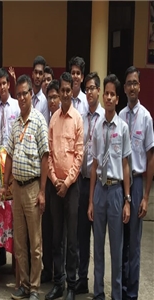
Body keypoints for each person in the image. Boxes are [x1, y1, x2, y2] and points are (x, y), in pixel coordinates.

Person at [1, 75, 49, 300]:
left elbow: (45, 158)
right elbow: (8, 155)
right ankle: (24, 285)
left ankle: (36, 288)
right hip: (17, 190)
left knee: (35, 242)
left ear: (31, 94)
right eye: (18, 94)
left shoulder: (39, 121)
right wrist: (4, 184)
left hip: (32, 188)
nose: (21, 98)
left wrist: (42, 192)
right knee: (19, 240)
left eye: (24, 93)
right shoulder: (16, 123)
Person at [88, 74, 131, 300]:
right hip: (99, 192)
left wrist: (127, 199)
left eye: (113, 94)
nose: (109, 97)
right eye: (106, 93)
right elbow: (95, 164)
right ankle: (98, 293)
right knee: (98, 248)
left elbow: (125, 165)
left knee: (116, 248)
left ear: (117, 98)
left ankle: (116, 295)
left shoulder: (122, 128)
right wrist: (91, 201)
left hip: (115, 192)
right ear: (103, 96)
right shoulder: (96, 128)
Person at [46, 72, 83, 300]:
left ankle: (71, 285)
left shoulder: (78, 120)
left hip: (72, 188)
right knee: (56, 237)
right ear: (59, 93)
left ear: (72, 91)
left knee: (72, 240)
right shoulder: (53, 120)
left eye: (69, 90)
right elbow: (49, 154)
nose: (66, 94)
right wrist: (54, 180)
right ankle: (58, 283)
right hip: (54, 187)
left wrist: (67, 182)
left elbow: (79, 156)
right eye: (63, 91)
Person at [119, 66, 154, 300]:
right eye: (128, 83)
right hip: (121, 185)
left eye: (135, 83)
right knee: (121, 241)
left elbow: (151, 158)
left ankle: (132, 293)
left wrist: (145, 197)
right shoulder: (120, 116)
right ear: (124, 88)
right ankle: (121, 289)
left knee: (134, 242)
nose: (132, 87)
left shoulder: (146, 117)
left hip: (138, 182)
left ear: (139, 87)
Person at [75, 72, 105, 295]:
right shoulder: (81, 116)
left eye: (93, 88)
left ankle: (99, 285)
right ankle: (82, 278)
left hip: (102, 185)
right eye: (87, 89)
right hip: (82, 182)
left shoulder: (106, 117)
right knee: (82, 235)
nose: (90, 92)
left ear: (99, 90)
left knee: (99, 236)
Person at [0, 67, 20, 268]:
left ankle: (16, 256)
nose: (2, 87)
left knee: (14, 209)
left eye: (4, 83)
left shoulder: (17, 106)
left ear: (9, 84)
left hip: (15, 165)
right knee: (0, 208)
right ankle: (1, 253)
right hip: (0, 166)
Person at [41, 79, 61, 284]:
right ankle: (47, 269)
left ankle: (58, 272)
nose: (52, 100)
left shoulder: (63, 120)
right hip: (44, 182)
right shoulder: (43, 120)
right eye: (50, 97)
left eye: (55, 97)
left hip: (58, 182)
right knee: (45, 228)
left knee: (58, 231)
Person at [31, 56, 50, 125]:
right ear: (32, 74)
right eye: (36, 72)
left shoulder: (44, 102)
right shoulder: (27, 96)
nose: (38, 76)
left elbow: (45, 127)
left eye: (40, 73)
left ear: (43, 76)